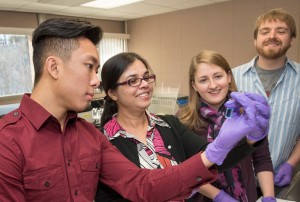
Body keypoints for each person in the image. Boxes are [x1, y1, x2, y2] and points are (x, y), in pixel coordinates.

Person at [0, 18, 269, 202]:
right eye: (89, 67)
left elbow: (142, 185)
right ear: (54, 67)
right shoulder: (8, 141)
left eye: (97, 70)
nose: (95, 81)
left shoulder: (87, 135)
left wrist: (214, 152)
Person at [94, 52, 270, 201]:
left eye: (147, 77)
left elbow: (215, 162)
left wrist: (251, 140)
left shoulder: (169, 124)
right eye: (132, 80)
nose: (145, 84)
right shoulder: (103, 141)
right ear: (112, 93)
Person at [177, 50, 275, 202]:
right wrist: (219, 196)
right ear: (194, 85)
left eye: (218, 76)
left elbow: (262, 159)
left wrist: (269, 196)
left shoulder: (248, 112)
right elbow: (185, 170)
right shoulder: (183, 120)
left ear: (229, 76)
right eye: (203, 80)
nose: (213, 85)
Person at [232, 8, 300, 191]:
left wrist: (291, 163)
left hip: (279, 180)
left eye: (281, 31)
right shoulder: (231, 78)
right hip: (236, 180)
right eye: (265, 31)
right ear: (255, 40)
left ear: (292, 39)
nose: (272, 36)